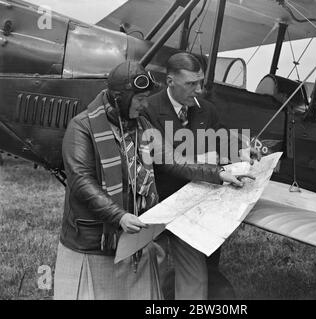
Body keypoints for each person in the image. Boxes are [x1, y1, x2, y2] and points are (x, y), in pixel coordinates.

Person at [53, 60, 250, 300]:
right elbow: (82, 182)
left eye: (146, 98)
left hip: (132, 236)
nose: (145, 104)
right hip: (94, 243)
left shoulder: (142, 126)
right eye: (139, 99)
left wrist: (218, 173)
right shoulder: (81, 127)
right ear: (119, 98)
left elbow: (174, 160)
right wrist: (119, 216)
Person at [142, 52, 261, 300]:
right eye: (191, 84)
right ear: (170, 81)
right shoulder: (148, 110)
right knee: (152, 275)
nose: (198, 89)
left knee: (199, 274)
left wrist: (242, 149)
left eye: (200, 82)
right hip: (160, 204)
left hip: (198, 206)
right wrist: (217, 172)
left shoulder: (206, 110)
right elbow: (170, 162)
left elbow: (222, 138)